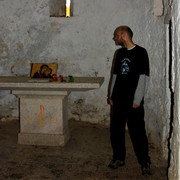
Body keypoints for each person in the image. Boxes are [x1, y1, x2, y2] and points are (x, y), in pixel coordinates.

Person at [107, 26, 151, 175]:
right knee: (116, 130)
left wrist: (137, 99)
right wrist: (111, 95)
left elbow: (143, 77)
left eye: (117, 35)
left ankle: (144, 161)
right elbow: (115, 76)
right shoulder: (119, 53)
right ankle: (119, 158)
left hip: (133, 100)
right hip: (118, 99)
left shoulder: (141, 52)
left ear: (124, 35)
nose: (115, 38)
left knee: (137, 131)